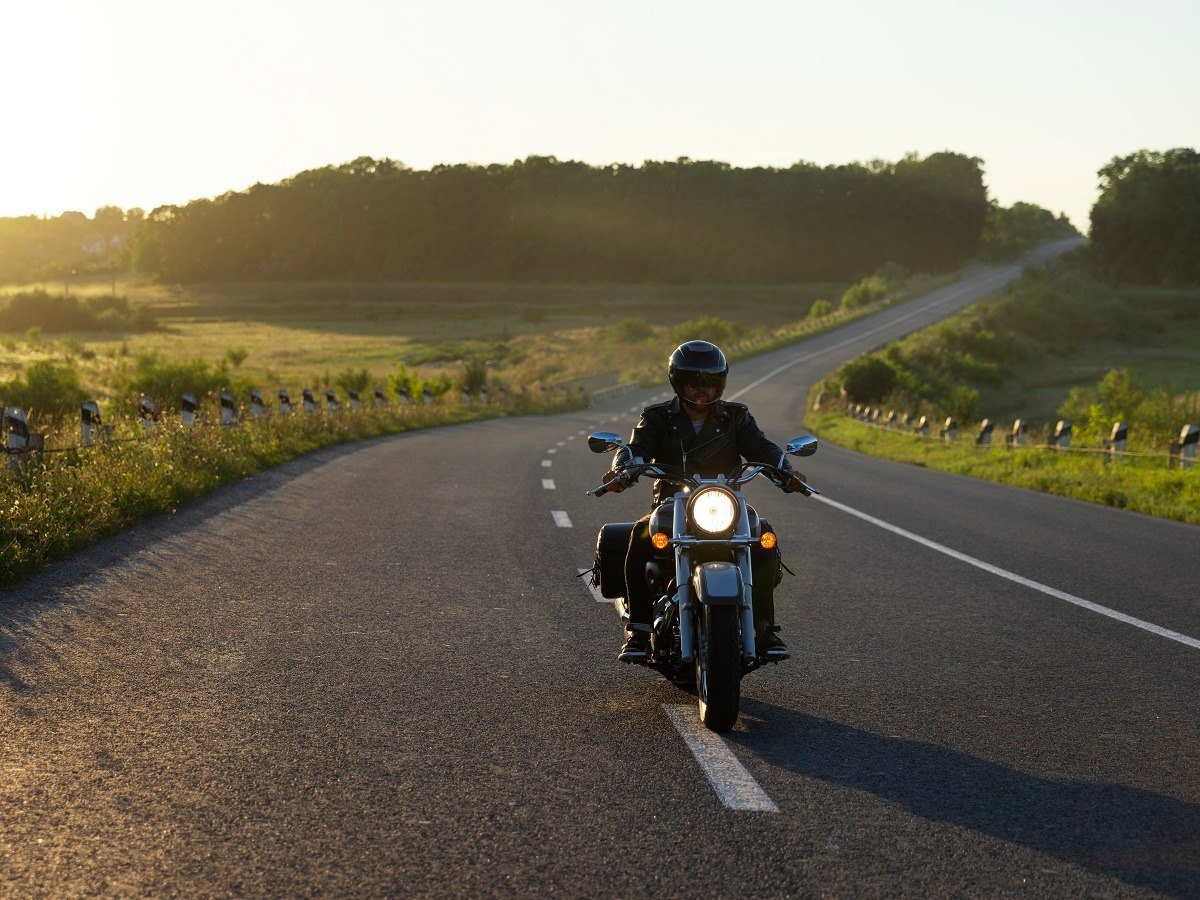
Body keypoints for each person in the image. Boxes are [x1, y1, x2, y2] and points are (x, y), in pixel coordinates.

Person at [601, 340, 808, 662]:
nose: (702, 390)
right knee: (639, 539)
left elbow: (762, 448)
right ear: (678, 382)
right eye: (694, 383)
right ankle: (639, 629)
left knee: (763, 537)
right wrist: (622, 470)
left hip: (726, 504)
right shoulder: (656, 417)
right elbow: (636, 448)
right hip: (672, 502)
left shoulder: (736, 417)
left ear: (720, 382)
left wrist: (787, 471)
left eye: (710, 383)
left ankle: (764, 627)